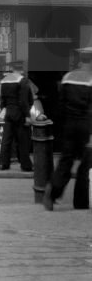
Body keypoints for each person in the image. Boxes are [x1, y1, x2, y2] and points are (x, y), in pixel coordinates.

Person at [44, 48, 92, 211]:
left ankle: (53, 192)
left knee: (66, 160)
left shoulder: (67, 77)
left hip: (69, 125)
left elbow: (61, 106)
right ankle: (80, 202)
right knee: (85, 165)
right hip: (86, 125)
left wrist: (62, 127)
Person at [0, 61, 35, 172]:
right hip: (20, 113)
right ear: (21, 69)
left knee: (7, 139)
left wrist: (4, 109)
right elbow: (24, 100)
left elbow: (2, 99)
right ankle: (26, 165)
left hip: (9, 112)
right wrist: (27, 115)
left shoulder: (4, 81)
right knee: (23, 140)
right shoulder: (22, 81)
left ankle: (3, 163)